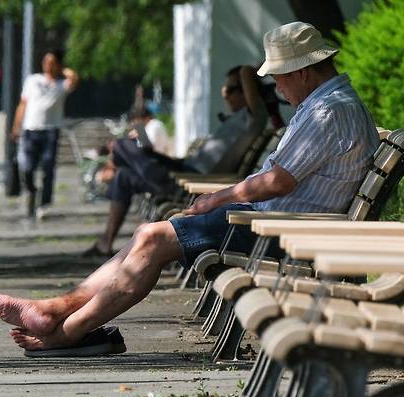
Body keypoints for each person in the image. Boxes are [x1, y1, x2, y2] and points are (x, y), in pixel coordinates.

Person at [0, 22, 380, 355]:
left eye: (277, 77)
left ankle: (64, 330)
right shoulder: (328, 104)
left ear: (303, 72)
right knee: (148, 233)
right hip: (275, 225)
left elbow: (277, 181)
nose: (276, 86)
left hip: (283, 233)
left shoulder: (328, 110)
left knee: (155, 239)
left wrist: (217, 196)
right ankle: (58, 314)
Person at [82, 65, 269, 257]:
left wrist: (255, 68)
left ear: (248, 91)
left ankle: (111, 160)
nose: (225, 94)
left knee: (122, 145)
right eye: (224, 89)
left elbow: (246, 73)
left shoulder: (254, 118)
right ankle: (106, 242)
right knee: (123, 175)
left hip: (190, 182)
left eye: (231, 89)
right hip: (183, 169)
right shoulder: (236, 119)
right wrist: (158, 157)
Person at [11, 49, 79, 220]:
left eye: (51, 62)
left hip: (50, 130)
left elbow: (75, 79)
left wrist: (62, 69)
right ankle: (32, 191)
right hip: (30, 129)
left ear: (56, 64)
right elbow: (23, 103)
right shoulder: (33, 80)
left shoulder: (60, 85)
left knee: (48, 167)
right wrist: (16, 126)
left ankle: (44, 203)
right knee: (27, 168)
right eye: (45, 61)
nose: (47, 65)